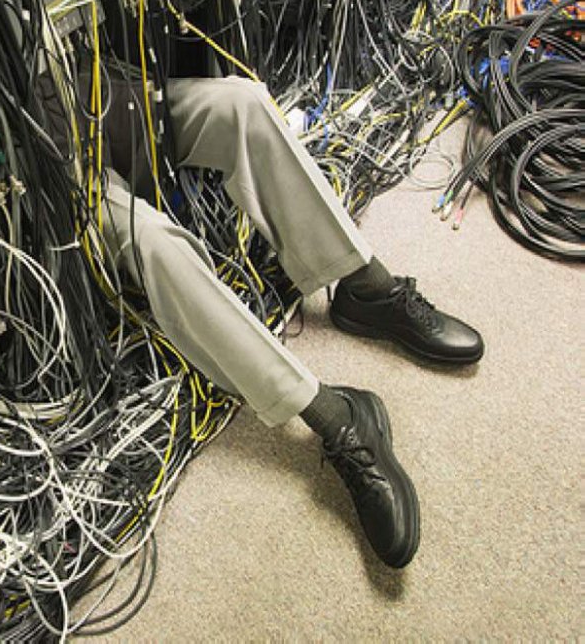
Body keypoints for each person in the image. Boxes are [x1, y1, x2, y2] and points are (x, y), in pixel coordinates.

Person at [81, 73, 484, 569]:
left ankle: (367, 289)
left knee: (242, 102)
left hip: (93, 97)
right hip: (47, 169)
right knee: (153, 243)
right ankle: (336, 415)